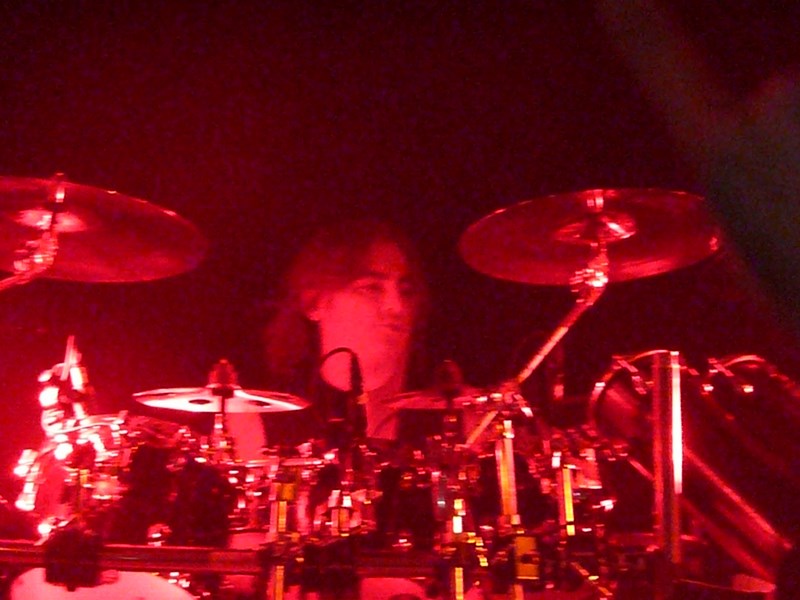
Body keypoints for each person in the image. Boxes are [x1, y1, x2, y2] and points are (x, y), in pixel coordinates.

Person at [226, 217, 433, 460]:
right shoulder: (261, 417)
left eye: (405, 291)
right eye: (371, 288)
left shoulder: (449, 415)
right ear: (314, 302)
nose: (396, 306)